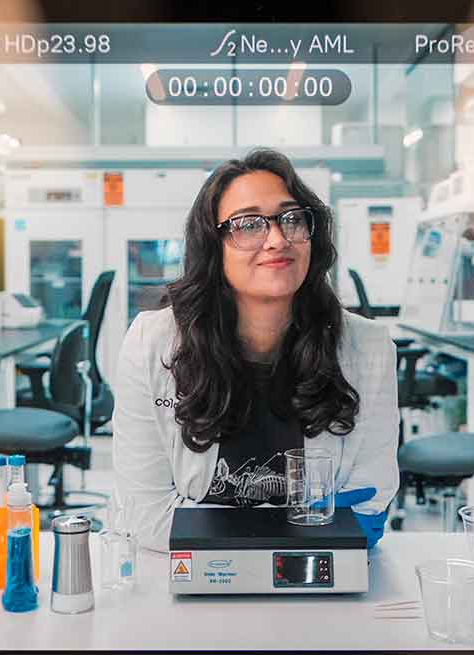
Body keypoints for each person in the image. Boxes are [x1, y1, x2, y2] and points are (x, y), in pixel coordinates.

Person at [112, 148, 399, 552]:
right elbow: (146, 514)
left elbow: (369, 499)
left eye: (292, 219)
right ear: (215, 246)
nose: (278, 239)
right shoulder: (152, 343)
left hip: (314, 587)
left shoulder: (368, 349)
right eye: (249, 225)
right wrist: (301, 535)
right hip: (180, 583)